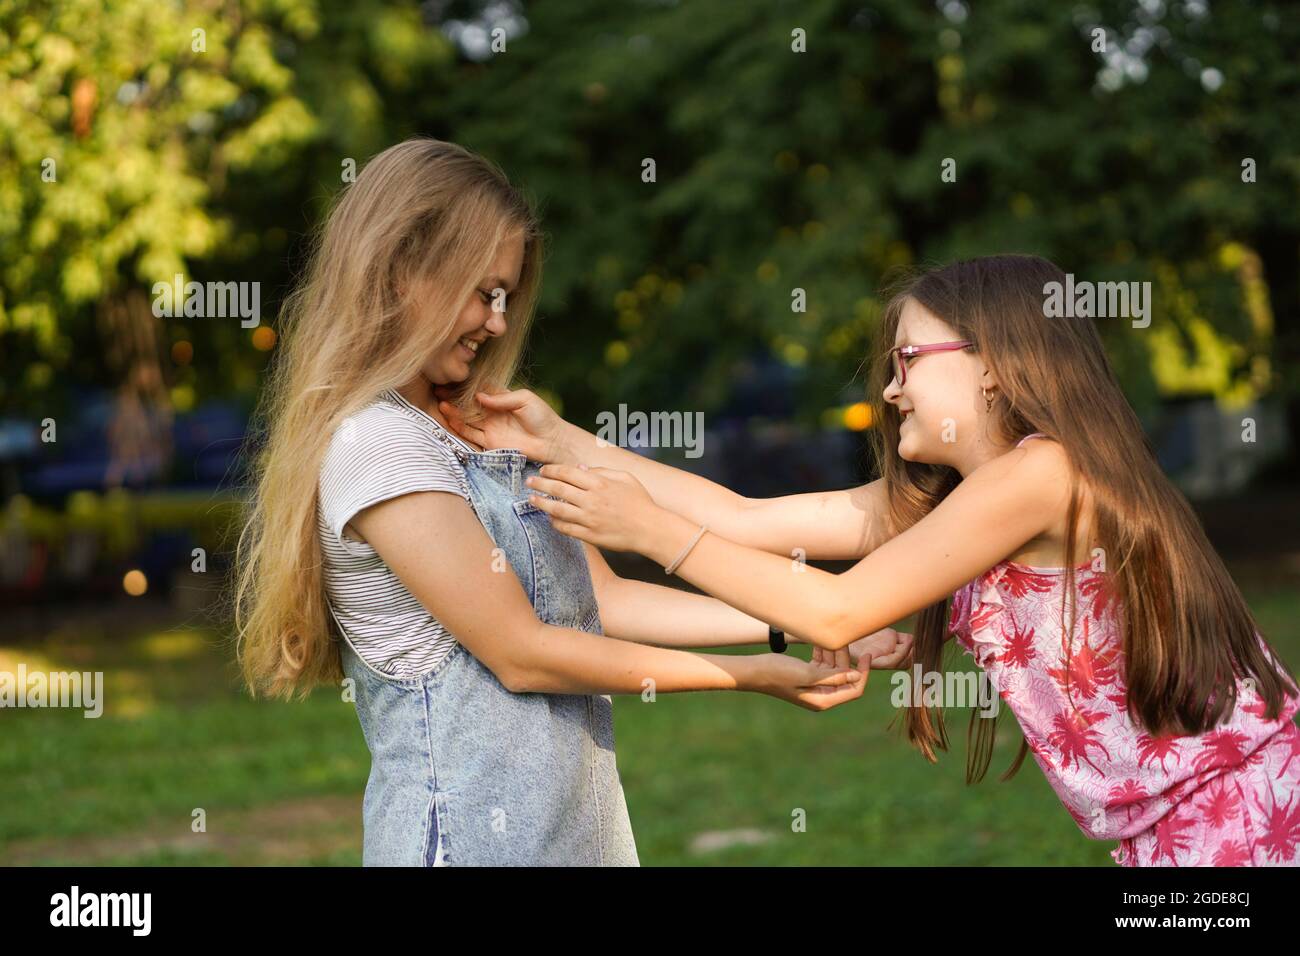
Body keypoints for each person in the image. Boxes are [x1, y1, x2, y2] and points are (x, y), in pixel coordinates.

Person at [443, 254, 1300, 866]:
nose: (890, 392)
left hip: (1242, 819)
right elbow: (742, 516)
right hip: (1172, 833)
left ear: (994, 366)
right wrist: (559, 437)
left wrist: (656, 536)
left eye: (908, 362)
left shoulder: (1045, 472)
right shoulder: (973, 494)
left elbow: (837, 611)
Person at [232, 138, 882, 867]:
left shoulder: (471, 428)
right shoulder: (378, 444)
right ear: (402, 270)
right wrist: (750, 675)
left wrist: (791, 623)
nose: (499, 324)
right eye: (485, 293)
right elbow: (525, 655)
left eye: (506, 297)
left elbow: (600, 600)